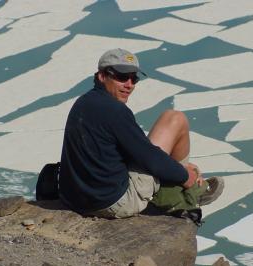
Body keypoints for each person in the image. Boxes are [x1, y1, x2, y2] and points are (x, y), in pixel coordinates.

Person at [59, 48, 224, 218]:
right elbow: (149, 158)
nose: (129, 84)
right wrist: (186, 177)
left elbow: (125, 151)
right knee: (175, 119)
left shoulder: (84, 102)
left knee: (162, 144)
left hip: (76, 199)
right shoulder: (115, 111)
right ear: (102, 76)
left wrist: (173, 167)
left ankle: (176, 178)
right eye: (122, 77)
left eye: (134, 78)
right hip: (112, 202)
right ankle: (188, 191)